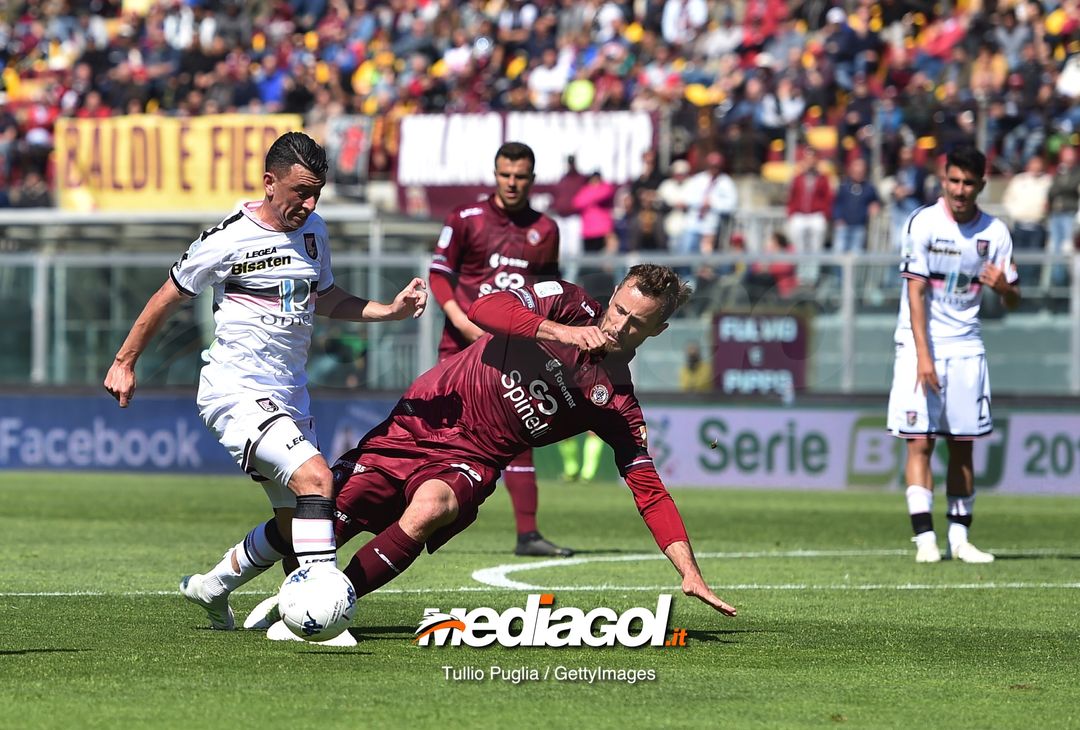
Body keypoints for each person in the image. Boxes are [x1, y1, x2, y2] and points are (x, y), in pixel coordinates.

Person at [248, 264, 737, 638]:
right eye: (620, 311)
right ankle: (225, 583)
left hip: (476, 458)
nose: (619, 326)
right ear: (612, 296)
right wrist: (562, 333)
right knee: (327, 522)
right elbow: (486, 308)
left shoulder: (618, 404)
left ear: (657, 332)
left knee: (430, 508)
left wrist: (689, 572)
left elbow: (649, 490)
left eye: (636, 323)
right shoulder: (565, 302)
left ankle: (332, 607)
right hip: (430, 415)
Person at [103, 132, 428, 633]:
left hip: (290, 393)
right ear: (269, 182)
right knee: (318, 481)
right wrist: (125, 362)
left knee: (294, 525)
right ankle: (324, 617)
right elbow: (168, 296)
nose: (310, 204)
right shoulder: (228, 237)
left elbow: (323, 296)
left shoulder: (314, 230)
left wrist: (387, 310)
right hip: (235, 391)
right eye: (301, 192)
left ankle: (213, 587)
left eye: (316, 193)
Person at [428, 141, 572, 558]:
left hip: (512, 350)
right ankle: (411, 515)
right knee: (441, 435)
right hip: (460, 347)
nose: (512, 183)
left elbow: (549, 290)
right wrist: (461, 321)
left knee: (520, 431)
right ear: (495, 174)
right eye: (505, 175)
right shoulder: (465, 218)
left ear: (532, 179)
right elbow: (439, 275)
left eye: (520, 176)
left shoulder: (546, 230)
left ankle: (528, 535)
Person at [887, 146, 1020, 565]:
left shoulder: (996, 233)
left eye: (968, 183)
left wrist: (1003, 288)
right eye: (954, 181)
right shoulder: (923, 222)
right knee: (920, 441)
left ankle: (960, 540)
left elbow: (1014, 299)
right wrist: (924, 357)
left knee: (963, 445)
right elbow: (915, 292)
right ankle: (925, 540)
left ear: (981, 185)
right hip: (919, 344)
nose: (960, 190)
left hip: (966, 347)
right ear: (944, 180)